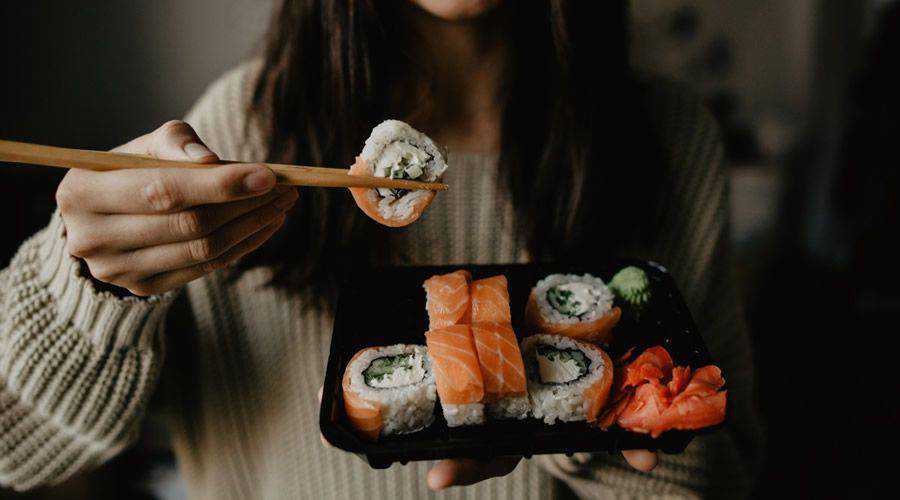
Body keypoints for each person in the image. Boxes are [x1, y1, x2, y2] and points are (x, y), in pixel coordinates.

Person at [0, 1, 762, 498]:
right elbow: (15, 450)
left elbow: (733, 473)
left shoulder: (669, 141)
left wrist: (587, 423)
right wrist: (87, 289)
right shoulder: (235, 136)